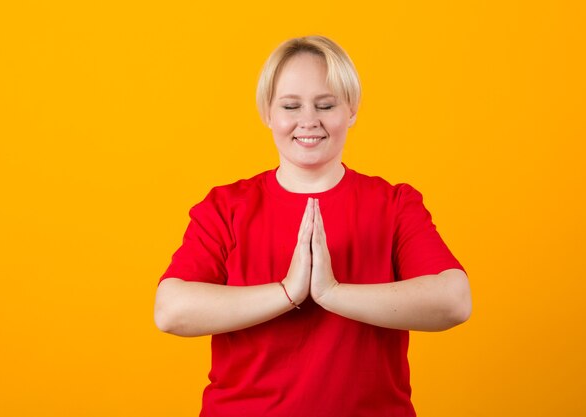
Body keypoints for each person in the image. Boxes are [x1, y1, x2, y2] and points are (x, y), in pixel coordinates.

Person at [154, 35, 471, 417]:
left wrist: (332, 293)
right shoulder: (225, 207)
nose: (309, 121)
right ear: (267, 113)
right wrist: (288, 292)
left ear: (351, 110)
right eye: (291, 105)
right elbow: (171, 311)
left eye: (326, 105)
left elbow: (454, 301)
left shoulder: (394, 204)